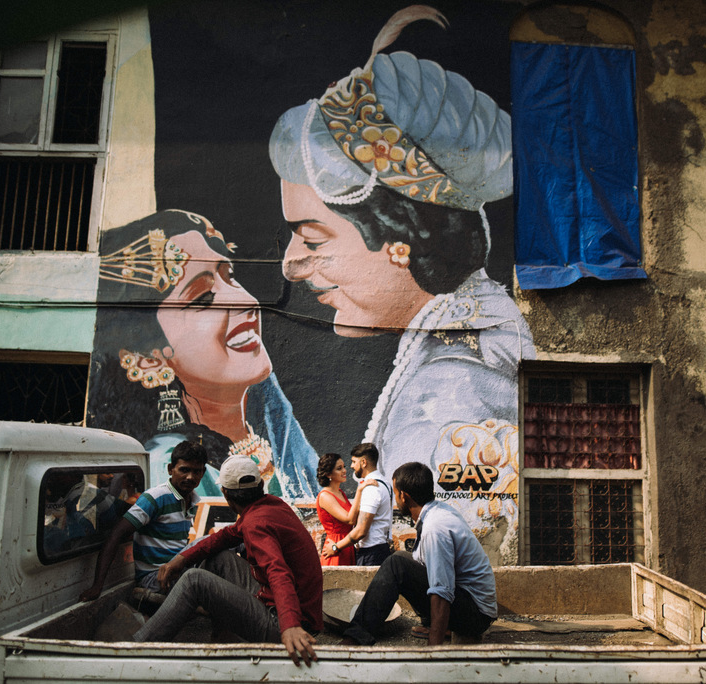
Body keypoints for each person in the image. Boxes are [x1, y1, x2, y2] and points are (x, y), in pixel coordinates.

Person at [268, 7, 535, 535]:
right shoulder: (472, 339)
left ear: (398, 239)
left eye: (312, 236)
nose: (290, 265)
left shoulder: (449, 391)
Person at [89, 210, 319, 501]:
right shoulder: (171, 467)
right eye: (204, 298)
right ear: (150, 358)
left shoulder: (278, 431)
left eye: (230, 277)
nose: (246, 301)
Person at [133, 455, 322, 668]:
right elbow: (223, 538)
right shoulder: (270, 505)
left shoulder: (255, 524)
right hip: (284, 602)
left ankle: (135, 650)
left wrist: (290, 626)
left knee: (194, 580)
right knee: (218, 558)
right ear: (260, 485)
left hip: (285, 620)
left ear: (225, 493)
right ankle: (223, 637)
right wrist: (181, 558)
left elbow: (278, 572)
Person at [341, 462, 497, 647]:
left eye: (395, 494)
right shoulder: (438, 510)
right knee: (403, 558)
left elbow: (442, 590)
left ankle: (356, 638)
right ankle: (438, 625)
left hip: (475, 616)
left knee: (396, 565)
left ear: (404, 496)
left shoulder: (435, 527)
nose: (395, 500)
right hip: (471, 604)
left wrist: (432, 651)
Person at [79, 441, 208, 601]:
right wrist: (97, 586)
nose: (190, 477)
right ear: (170, 469)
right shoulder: (156, 498)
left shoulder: (191, 499)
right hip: (154, 578)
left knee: (219, 555)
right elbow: (116, 535)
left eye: (197, 471)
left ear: (203, 472)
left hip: (177, 572)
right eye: (184, 470)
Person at [322, 443, 392, 566]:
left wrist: (335, 548)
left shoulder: (372, 488)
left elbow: (361, 530)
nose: (351, 466)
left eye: (354, 462)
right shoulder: (384, 482)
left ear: (363, 462)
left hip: (371, 553)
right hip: (377, 549)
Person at [314, 452, 375, 566]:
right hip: (334, 548)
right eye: (339, 468)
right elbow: (350, 519)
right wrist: (359, 491)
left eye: (344, 467)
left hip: (345, 544)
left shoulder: (340, 493)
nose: (344, 471)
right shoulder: (325, 496)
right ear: (328, 474)